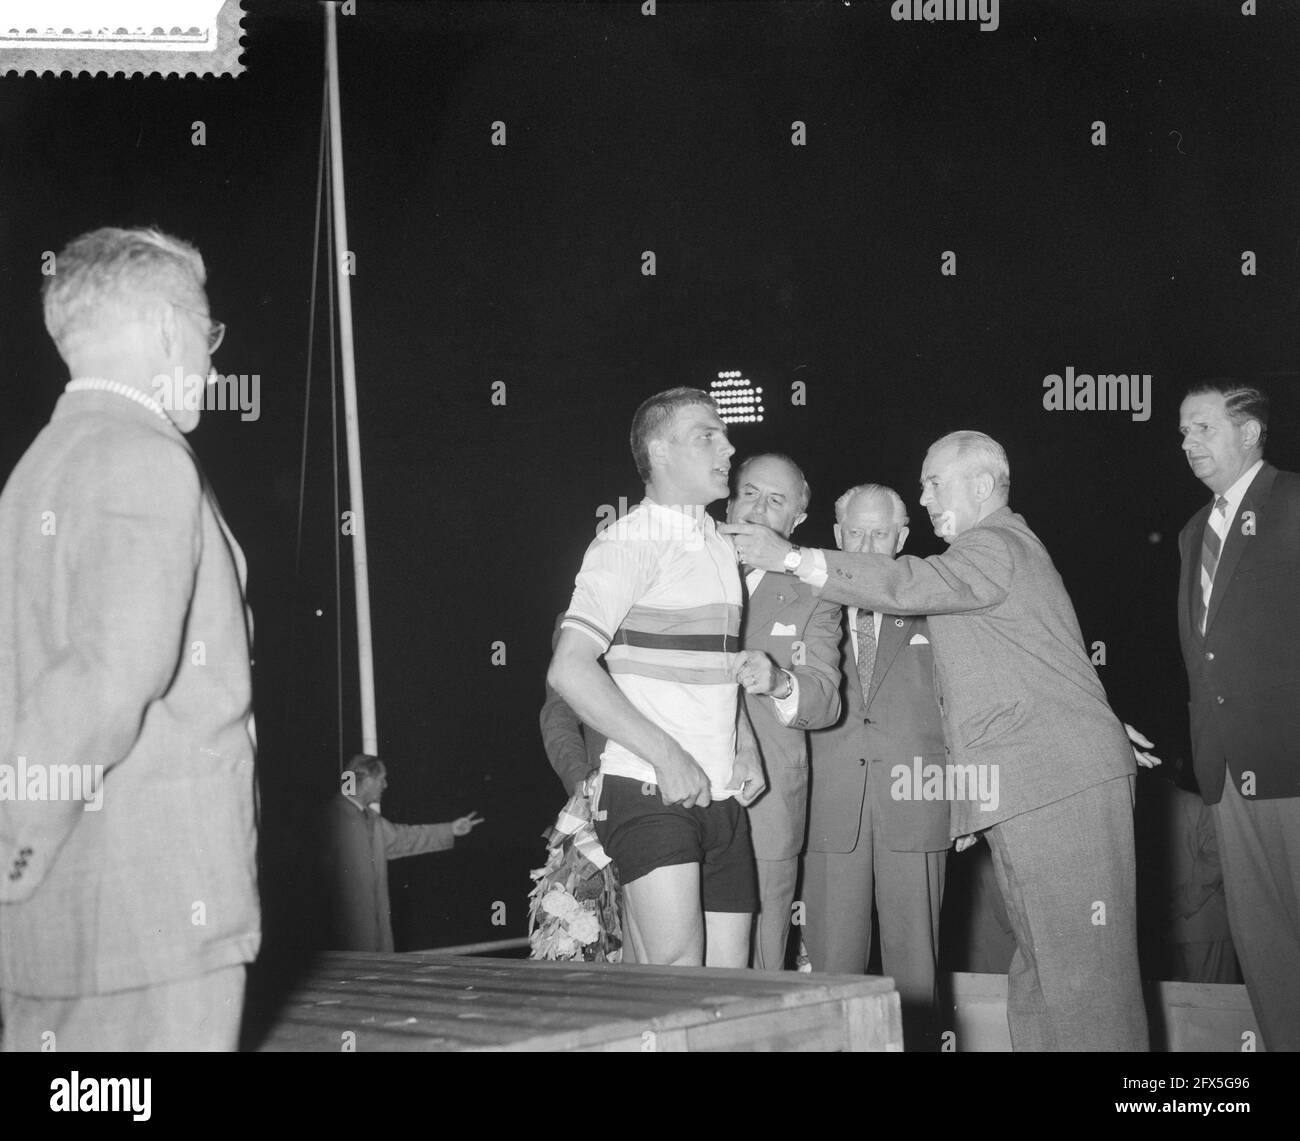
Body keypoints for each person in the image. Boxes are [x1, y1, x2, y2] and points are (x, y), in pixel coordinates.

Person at [724, 430, 1150, 1051]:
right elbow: (1021, 666)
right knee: (1041, 971)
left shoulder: (995, 544)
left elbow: (907, 586)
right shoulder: (988, 562)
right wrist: (1098, 717)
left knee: (1086, 979)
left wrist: (790, 557)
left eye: (933, 482)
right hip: (1030, 785)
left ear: (981, 486)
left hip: (1054, 784)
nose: (923, 498)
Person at [0, 226, 259, 1051]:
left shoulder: (39, 468)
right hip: (149, 928)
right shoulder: (149, 457)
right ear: (162, 331)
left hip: (60, 932)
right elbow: (110, 676)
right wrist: (15, 845)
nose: (215, 368)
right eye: (207, 333)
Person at [547, 387, 766, 968]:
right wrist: (667, 755)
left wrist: (743, 744)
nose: (729, 445)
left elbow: (720, 663)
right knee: (675, 987)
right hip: (649, 790)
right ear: (659, 451)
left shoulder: (720, 547)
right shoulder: (628, 541)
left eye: (724, 433)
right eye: (708, 435)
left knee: (730, 994)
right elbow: (569, 669)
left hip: (721, 798)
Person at [802, 484, 949, 1049]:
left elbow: (969, 702)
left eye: (880, 534)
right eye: (855, 533)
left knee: (916, 975)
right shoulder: (808, 600)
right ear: (836, 537)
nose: (865, 545)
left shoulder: (936, 601)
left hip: (918, 807)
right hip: (829, 810)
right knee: (834, 976)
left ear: (903, 539)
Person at [1176, 380, 1300, 1048]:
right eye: (1183, 433)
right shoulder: (1194, 531)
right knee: (1266, 950)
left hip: (1294, 762)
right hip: (1227, 772)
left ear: (1249, 431)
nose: (1188, 443)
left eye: (1203, 428)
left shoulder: (1295, 500)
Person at [727, 454, 841, 970]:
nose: (757, 509)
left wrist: (779, 683)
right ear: (730, 500)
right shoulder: (682, 568)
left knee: (764, 954)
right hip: (676, 792)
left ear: (796, 520)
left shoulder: (816, 594)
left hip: (767, 799)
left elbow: (825, 699)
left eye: (776, 501)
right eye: (749, 493)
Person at [322, 753, 483, 952]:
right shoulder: (331, 819)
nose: (386, 785)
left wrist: (450, 829)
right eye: (382, 779)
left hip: (371, 936)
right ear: (368, 780)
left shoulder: (372, 820)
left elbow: (406, 838)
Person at [540, 611, 606, 797]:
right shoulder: (575, 621)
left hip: (689, 771)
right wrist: (581, 781)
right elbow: (558, 718)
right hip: (614, 789)